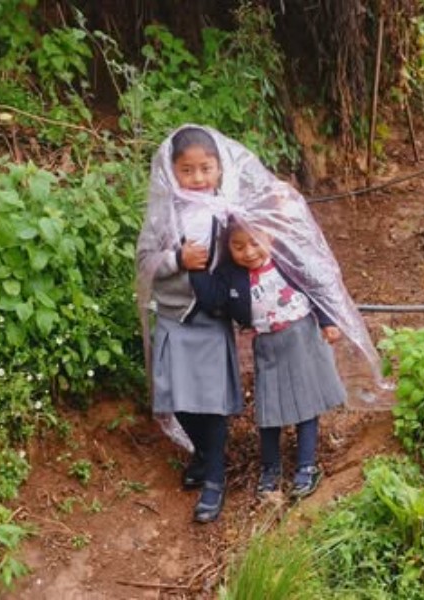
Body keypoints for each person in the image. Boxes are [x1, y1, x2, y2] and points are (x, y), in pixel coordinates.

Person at [190, 220, 347, 498]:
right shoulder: (230, 275)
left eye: (255, 242)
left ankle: (307, 466)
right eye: (238, 246)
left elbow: (313, 289)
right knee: (269, 408)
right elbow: (211, 300)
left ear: (271, 238)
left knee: (306, 402)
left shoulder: (286, 262)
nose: (249, 252)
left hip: (301, 336)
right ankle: (270, 468)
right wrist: (196, 269)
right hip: (267, 344)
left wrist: (327, 321)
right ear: (227, 247)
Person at [136, 126, 243, 524]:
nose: (197, 178)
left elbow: (249, 251)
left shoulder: (228, 211)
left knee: (211, 401)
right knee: (178, 397)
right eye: (187, 170)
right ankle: (204, 452)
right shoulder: (164, 215)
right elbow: (145, 261)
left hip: (211, 317)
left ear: (219, 168)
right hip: (174, 315)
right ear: (171, 171)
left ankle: (214, 477)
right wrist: (177, 260)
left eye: (205, 168)